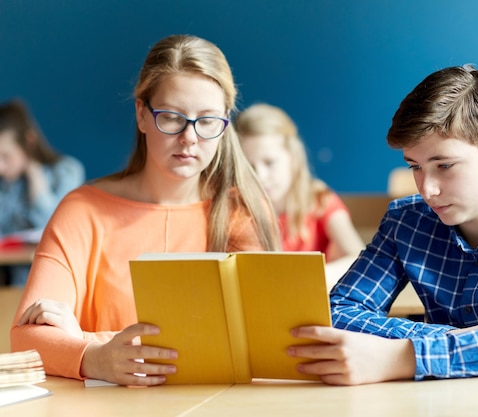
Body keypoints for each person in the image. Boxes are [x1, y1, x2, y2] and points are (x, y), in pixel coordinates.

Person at [287, 65, 478, 385]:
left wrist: (406, 356)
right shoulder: (406, 221)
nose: (427, 189)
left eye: (445, 165)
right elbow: (339, 311)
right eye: (416, 167)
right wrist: (449, 339)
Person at [11, 34, 280, 386]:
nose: (189, 138)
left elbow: (264, 341)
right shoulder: (83, 211)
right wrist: (95, 358)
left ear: (225, 122)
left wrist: (87, 341)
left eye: (208, 120)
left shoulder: (242, 209)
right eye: (171, 117)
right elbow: (26, 339)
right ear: (142, 114)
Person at [235, 103, 364, 286]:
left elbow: (358, 256)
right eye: (249, 167)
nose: (260, 177)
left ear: (293, 157)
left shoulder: (319, 199)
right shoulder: (234, 207)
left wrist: (305, 279)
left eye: (270, 162)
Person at [0, 99, 85, 286]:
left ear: (28, 142)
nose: (1, 167)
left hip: (54, 280)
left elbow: (51, 227)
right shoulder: (5, 186)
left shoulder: (66, 172)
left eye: (6, 156)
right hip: (10, 283)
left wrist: (34, 174)